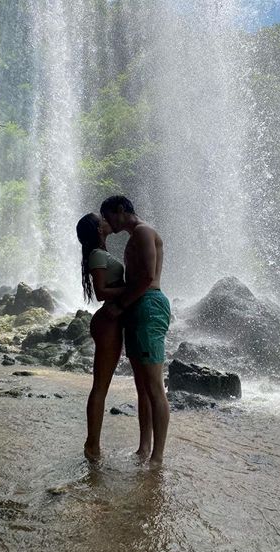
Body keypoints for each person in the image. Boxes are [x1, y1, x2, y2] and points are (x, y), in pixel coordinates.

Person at [100, 195, 171, 466]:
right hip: (138, 307)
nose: (107, 222)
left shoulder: (143, 232)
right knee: (142, 387)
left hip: (148, 305)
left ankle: (157, 456)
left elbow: (147, 277)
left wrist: (120, 306)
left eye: (108, 217)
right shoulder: (134, 236)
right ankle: (144, 448)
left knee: (154, 387)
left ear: (121, 210)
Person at [76, 212, 125, 461]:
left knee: (101, 386)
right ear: (97, 230)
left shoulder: (100, 253)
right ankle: (92, 445)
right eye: (101, 220)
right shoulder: (97, 254)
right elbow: (101, 293)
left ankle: (93, 444)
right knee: (100, 387)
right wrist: (135, 285)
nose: (106, 221)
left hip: (110, 322)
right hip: (107, 323)